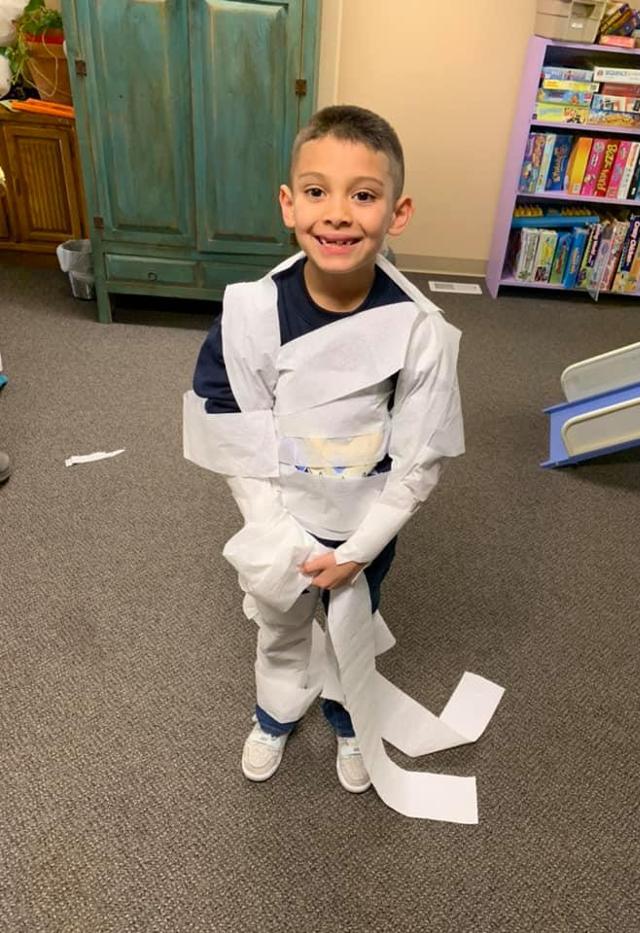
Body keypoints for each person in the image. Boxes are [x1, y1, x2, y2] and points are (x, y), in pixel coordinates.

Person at [183, 105, 464, 797]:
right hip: (280, 518)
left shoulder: (419, 330)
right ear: (289, 203)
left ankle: (347, 718)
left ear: (397, 213)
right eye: (317, 191)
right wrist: (277, 530)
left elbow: (422, 454)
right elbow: (228, 427)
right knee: (281, 627)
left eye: (363, 195)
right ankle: (274, 714)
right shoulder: (251, 313)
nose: (337, 213)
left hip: (364, 525)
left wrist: (359, 550)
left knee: (351, 626)